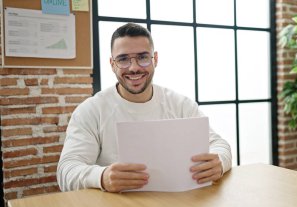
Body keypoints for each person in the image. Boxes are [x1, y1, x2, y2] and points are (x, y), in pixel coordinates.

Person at [57, 23, 232, 192]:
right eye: (123, 59)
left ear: (155, 59)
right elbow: (67, 170)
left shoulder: (181, 105)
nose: (134, 68)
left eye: (142, 57)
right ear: (112, 64)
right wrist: (101, 177)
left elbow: (219, 144)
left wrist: (219, 162)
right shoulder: (91, 111)